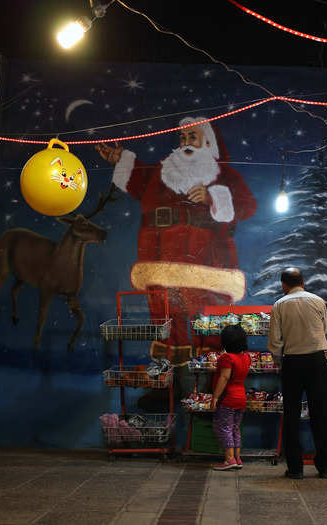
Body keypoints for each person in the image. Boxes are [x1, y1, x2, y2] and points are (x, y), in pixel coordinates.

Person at [96, 118, 257, 358]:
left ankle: (210, 368)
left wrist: (213, 197)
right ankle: (169, 370)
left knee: (206, 310)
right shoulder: (164, 169)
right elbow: (140, 181)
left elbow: (247, 206)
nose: (186, 142)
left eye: (193, 137)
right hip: (159, 251)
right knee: (164, 308)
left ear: (207, 141)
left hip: (206, 256)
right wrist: (121, 160)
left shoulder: (224, 175)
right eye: (182, 137)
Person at [268, 268, 327, 479]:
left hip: (292, 362)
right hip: (317, 361)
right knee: (322, 413)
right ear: (303, 282)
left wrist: (281, 361)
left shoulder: (279, 305)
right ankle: (325, 466)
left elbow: (275, 341)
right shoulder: (318, 301)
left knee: (291, 415)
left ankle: (296, 468)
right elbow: (325, 329)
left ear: (283, 285)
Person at [211, 324, 251, 470]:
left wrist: (215, 397)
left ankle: (229, 460)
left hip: (228, 398)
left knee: (223, 428)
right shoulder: (246, 357)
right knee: (235, 428)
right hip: (241, 398)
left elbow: (224, 377)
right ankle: (237, 458)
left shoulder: (227, 358)